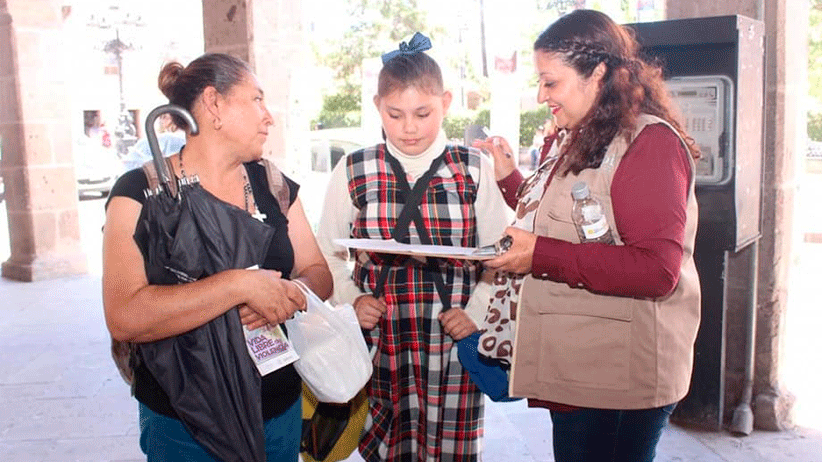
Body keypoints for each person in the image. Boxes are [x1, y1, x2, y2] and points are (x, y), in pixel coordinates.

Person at [473, 9, 701, 462]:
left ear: (597, 73)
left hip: (619, 381)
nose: (541, 95)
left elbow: (656, 271)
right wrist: (509, 179)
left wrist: (538, 256)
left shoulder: (649, 144)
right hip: (587, 369)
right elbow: (579, 219)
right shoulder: (585, 136)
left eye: (550, 82)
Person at [102, 53, 333, 461]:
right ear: (214, 105)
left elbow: (318, 273)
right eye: (256, 100)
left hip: (278, 409)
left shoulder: (274, 186)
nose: (269, 117)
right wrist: (237, 285)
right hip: (183, 424)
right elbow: (124, 314)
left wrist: (288, 293)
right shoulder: (138, 193)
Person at [317, 32, 509, 462]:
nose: (409, 128)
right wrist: (351, 299)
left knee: (453, 451)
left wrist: (476, 312)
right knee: (387, 449)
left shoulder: (472, 168)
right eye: (395, 113)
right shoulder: (354, 168)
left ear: (446, 101)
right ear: (376, 107)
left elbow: (502, 253)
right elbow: (325, 252)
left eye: (423, 113)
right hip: (382, 339)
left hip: (452, 337)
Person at [122, 113, 187, 171]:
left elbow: (129, 165)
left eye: (164, 117)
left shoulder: (163, 140)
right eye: (161, 117)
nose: (161, 120)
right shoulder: (160, 140)